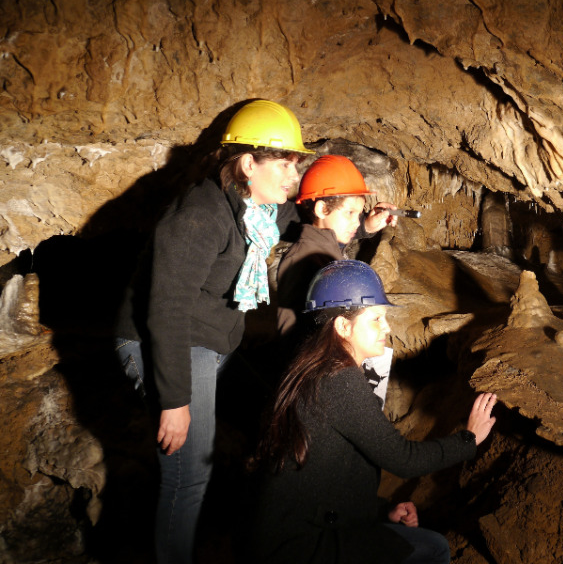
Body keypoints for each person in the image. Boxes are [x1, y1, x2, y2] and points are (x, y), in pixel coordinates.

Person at [113, 99, 313, 564]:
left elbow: (309, 220)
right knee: (187, 474)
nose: (292, 175)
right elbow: (166, 311)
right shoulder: (198, 216)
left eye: (295, 164)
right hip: (164, 339)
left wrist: (364, 224)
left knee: (277, 411)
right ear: (247, 163)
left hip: (214, 336)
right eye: (284, 163)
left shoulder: (260, 212)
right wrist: (175, 401)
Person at [249, 260, 497, 564]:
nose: (387, 327)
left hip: (298, 527)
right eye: (376, 319)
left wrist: (381, 510)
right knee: (432, 549)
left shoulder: (319, 365)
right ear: (343, 326)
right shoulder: (339, 381)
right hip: (299, 544)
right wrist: (468, 439)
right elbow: (403, 459)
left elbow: (328, 472)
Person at [274, 154, 397, 405]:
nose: (356, 221)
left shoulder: (320, 247)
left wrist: (368, 225)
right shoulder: (307, 261)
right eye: (350, 212)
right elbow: (294, 334)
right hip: (316, 385)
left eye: (359, 212)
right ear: (321, 208)